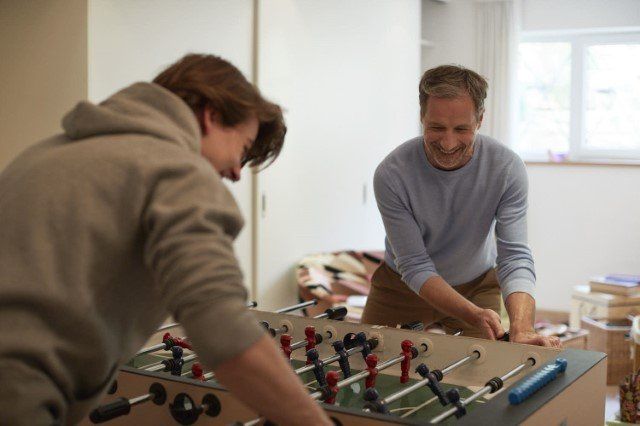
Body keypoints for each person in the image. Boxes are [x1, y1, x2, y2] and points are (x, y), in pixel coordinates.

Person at [0, 54, 332, 425]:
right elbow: (222, 329)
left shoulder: (43, 154)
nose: (238, 173)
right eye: (243, 148)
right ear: (211, 116)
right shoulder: (178, 170)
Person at [361, 64, 560, 348]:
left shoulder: (506, 168)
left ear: (480, 120)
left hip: (476, 286)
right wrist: (473, 314)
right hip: (400, 287)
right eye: (437, 127)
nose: (448, 142)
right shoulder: (392, 174)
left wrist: (523, 327)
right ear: (421, 117)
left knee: (482, 382)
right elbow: (415, 266)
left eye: (461, 129)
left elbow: (514, 256)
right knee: (366, 367)